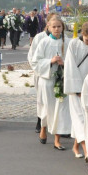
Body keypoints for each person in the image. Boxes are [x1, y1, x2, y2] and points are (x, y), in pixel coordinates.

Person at [29, 14, 73, 150]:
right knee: (47, 106)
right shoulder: (44, 42)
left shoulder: (69, 43)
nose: (57, 29)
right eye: (54, 27)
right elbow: (35, 62)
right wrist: (50, 61)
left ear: (63, 27)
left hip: (62, 80)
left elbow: (73, 62)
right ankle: (43, 128)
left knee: (60, 109)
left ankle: (57, 139)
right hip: (47, 80)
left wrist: (64, 63)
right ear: (48, 27)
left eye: (59, 26)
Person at [64, 22, 88, 159]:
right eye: (87, 40)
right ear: (82, 35)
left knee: (86, 119)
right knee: (79, 118)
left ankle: (75, 146)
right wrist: (78, 89)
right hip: (76, 89)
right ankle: (87, 151)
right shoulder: (73, 45)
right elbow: (70, 67)